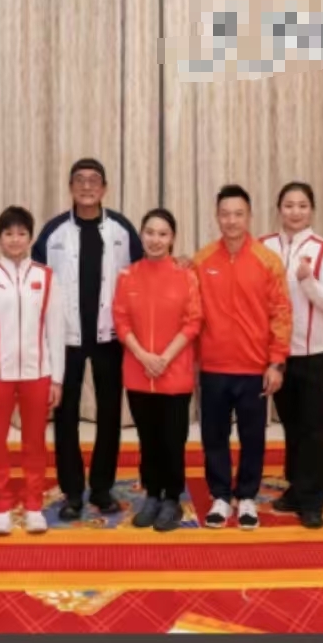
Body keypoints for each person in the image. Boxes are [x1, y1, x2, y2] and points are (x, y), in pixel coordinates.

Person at [33, 158, 143, 521]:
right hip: (66, 339)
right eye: (79, 180)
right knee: (65, 416)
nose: (86, 186)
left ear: (104, 188)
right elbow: (32, 277)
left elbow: (145, 272)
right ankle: (72, 492)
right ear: (70, 187)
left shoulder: (122, 230)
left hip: (110, 337)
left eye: (94, 180)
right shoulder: (53, 233)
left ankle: (101, 488)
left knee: (110, 414)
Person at [192, 185, 292, 531]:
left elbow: (281, 313)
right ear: (217, 217)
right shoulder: (202, 261)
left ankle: (247, 495)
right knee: (214, 436)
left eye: (238, 214)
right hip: (214, 367)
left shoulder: (267, 261)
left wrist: (276, 362)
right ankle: (220, 495)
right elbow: (191, 313)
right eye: (225, 214)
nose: (231, 221)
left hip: (254, 368)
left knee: (253, 437)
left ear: (249, 217)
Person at [0, 206, 66, 536]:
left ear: (30, 238)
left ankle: (34, 504)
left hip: (38, 373)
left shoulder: (46, 277)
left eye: (21, 233)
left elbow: (55, 330)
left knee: (34, 442)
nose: (15, 239)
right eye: (8, 233)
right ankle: (1, 506)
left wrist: (56, 378)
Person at [111, 208, 203, 532]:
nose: (155, 239)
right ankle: (152, 494)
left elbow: (193, 321)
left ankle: (172, 498)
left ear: (172, 238)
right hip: (139, 373)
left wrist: (164, 358)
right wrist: (142, 355)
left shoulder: (185, 275)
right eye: (150, 232)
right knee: (147, 439)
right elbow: (121, 320)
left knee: (173, 440)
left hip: (174, 371)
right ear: (141, 235)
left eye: (163, 234)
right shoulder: (127, 275)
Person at [260, 182, 323, 529]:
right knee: (291, 426)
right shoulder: (263, 246)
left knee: (313, 428)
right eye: (289, 205)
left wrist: (307, 281)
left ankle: (312, 500)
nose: (295, 212)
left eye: (302, 205)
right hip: (277, 354)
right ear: (279, 209)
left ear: (312, 210)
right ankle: (296, 487)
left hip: (314, 352)